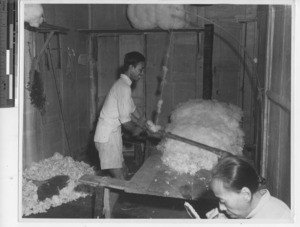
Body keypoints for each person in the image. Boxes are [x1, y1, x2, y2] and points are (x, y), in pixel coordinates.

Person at [93, 51, 147, 217]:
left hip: (112, 135)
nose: (141, 73)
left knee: (123, 170)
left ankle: (119, 203)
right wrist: (138, 130)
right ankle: (112, 210)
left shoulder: (124, 86)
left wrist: (145, 121)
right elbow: (126, 122)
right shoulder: (123, 87)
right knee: (118, 176)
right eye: (140, 69)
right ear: (131, 67)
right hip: (107, 137)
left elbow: (132, 109)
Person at [206, 155, 291, 219]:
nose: (221, 208)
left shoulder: (280, 217)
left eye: (223, 201)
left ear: (246, 194)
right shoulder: (246, 211)